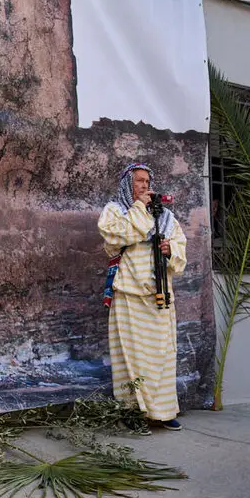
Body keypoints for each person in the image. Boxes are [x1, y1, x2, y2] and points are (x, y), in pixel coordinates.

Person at [98, 163, 187, 432]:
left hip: (159, 294)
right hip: (128, 294)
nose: (145, 185)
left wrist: (170, 249)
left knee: (162, 356)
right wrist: (139, 209)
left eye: (147, 181)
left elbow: (180, 250)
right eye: (139, 181)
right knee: (130, 358)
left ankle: (163, 412)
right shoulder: (115, 211)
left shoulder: (166, 217)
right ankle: (133, 413)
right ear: (128, 184)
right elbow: (115, 237)